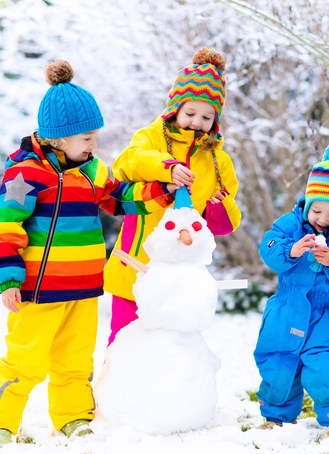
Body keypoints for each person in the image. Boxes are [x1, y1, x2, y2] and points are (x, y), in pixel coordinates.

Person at [0, 60, 177, 447]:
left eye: (95, 135)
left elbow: (120, 198)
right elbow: (6, 229)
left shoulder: (93, 171)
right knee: (25, 361)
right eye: (87, 137)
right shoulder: (24, 175)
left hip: (83, 289)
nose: (94, 144)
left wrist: (159, 192)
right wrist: (9, 279)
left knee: (75, 361)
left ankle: (72, 418)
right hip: (36, 292)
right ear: (59, 138)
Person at [103, 48, 241, 345]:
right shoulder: (151, 137)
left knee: (172, 345)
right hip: (135, 267)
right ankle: (119, 391)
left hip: (181, 278)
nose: (196, 122)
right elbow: (127, 162)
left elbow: (226, 224)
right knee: (125, 340)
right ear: (175, 108)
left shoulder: (218, 161)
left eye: (207, 116)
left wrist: (219, 207)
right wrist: (167, 168)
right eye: (190, 113)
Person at [253, 141, 329, 441]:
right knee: (278, 365)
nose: (323, 219)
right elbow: (268, 246)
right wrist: (290, 251)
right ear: (307, 203)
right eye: (317, 209)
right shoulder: (290, 226)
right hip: (284, 312)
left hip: (327, 320)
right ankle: (276, 418)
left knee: (326, 371)